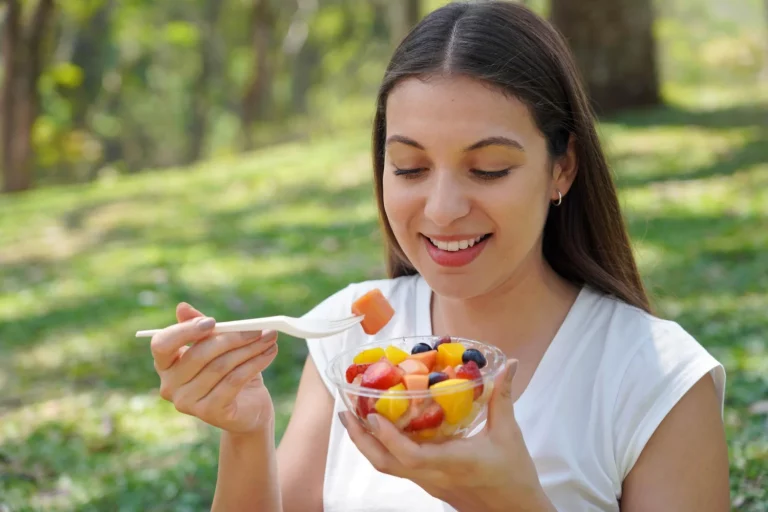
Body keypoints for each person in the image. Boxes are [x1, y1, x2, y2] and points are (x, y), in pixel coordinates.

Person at [148, 2, 730, 511]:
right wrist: (248, 433)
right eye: (410, 168)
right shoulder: (346, 330)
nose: (443, 209)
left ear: (563, 167)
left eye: (488, 169)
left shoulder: (657, 378)